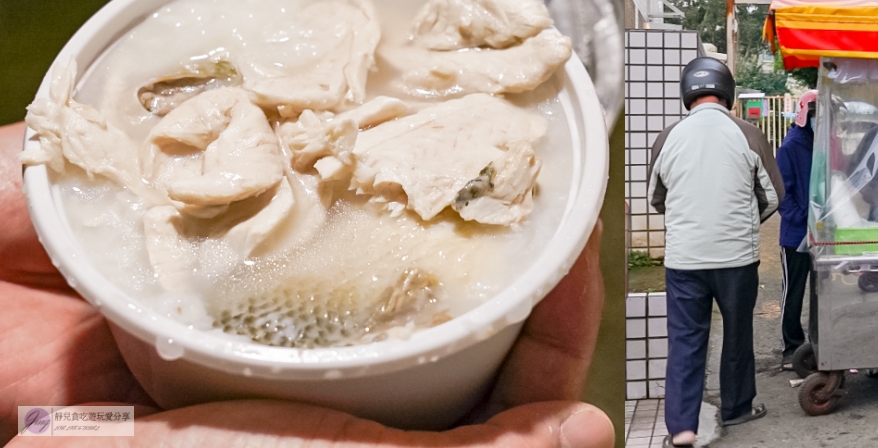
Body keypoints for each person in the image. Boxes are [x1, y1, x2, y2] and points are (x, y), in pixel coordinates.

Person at [0, 121, 613, 447]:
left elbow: (50, 434)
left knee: (55, 424)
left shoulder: (47, 419)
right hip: (126, 364)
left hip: (117, 385)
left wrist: (44, 437)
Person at [648, 57, 784, 448]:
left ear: (686, 92)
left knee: (686, 339)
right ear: (728, 92)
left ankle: (682, 427)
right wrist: (742, 222)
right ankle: (737, 406)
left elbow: (656, 198)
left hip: (684, 261)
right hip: (736, 258)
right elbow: (773, 197)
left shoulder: (667, 137)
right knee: (737, 332)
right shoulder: (749, 133)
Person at [776, 89, 816, 371]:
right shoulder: (790, 147)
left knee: (822, 291)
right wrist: (803, 218)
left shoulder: (826, 143)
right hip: (795, 234)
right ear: (804, 115)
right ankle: (791, 346)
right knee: (794, 290)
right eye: (814, 115)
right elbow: (782, 193)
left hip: (823, 232)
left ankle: (818, 341)